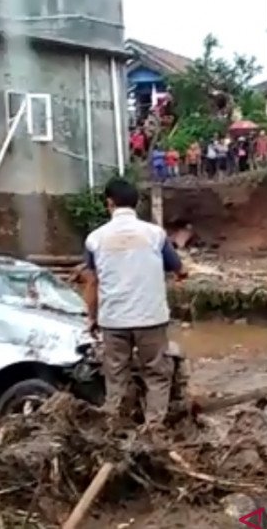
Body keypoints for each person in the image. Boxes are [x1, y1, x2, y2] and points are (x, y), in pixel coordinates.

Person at [82, 178, 187, 429]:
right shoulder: (155, 235)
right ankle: (153, 428)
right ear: (137, 204)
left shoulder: (95, 239)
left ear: (109, 203)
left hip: (113, 320)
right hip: (150, 318)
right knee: (157, 374)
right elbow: (178, 269)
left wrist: (93, 318)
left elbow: (91, 283)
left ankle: (114, 428)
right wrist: (181, 274)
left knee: (116, 375)